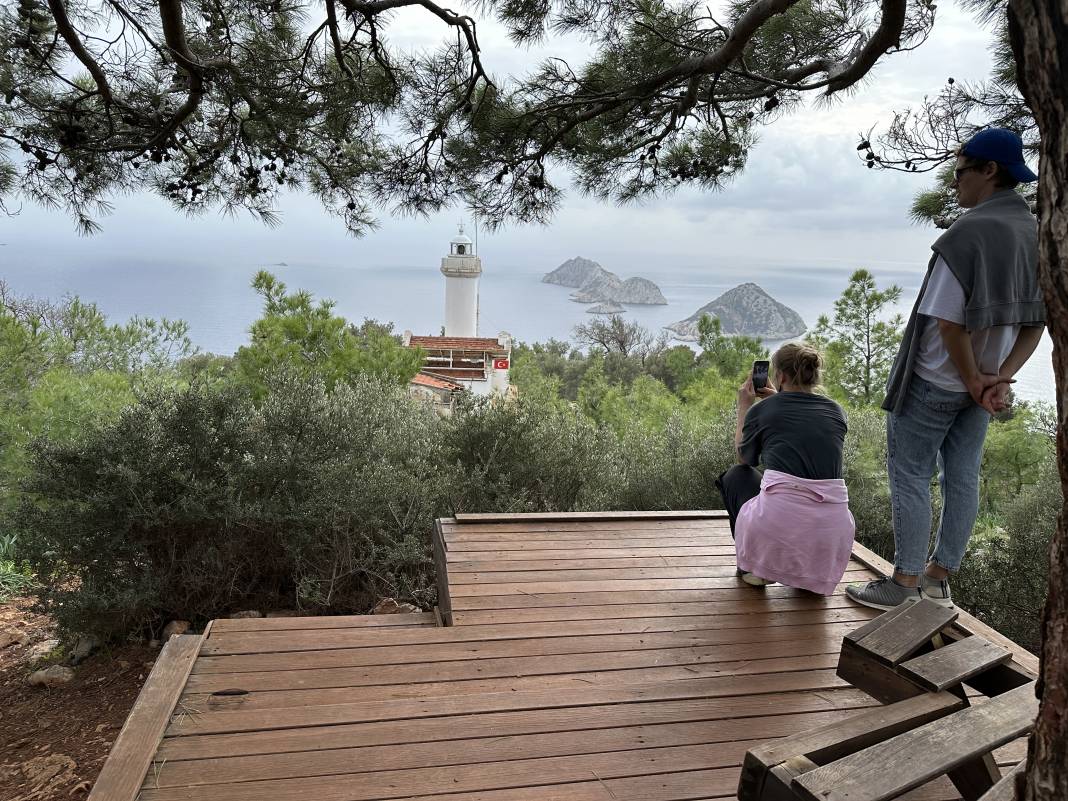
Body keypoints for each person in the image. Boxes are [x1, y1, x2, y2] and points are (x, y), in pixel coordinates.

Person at [847, 128, 1044, 611]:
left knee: (910, 476)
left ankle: (904, 582)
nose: (954, 184)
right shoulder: (1034, 233)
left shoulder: (968, 234)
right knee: (963, 476)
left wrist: (976, 377)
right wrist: (998, 377)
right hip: (981, 389)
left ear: (988, 171)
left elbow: (949, 324)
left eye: (959, 172)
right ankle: (938, 577)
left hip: (937, 381)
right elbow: (1036, 324)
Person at [716, 343, 854, 595]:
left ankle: (755, 569)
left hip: (779, 522)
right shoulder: (836, 411)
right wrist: (776, 402)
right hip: (831, 535)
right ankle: (811, 574)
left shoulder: (763, 410)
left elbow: (744, 458)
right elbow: (805, 433)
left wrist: (745, 408)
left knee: (737, 476)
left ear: (779, 376)